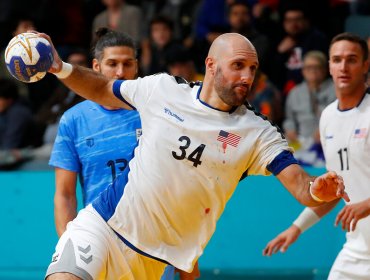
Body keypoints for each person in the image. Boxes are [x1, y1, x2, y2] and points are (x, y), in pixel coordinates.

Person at [37, 31, 350, 279]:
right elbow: (103, 90)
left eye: (252, 68)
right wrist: (58, 67)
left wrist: (315, 190)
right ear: (211, 65)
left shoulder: (257, 132)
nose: (247, 77)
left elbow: (301, 187)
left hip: (156, 259)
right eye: (238, 65)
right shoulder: (163, 91)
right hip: (104, 225)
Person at [49, 28, 198, 280]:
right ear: (96, 66)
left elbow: (178, 187)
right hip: (99, 237)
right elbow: (64, 195)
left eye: (127, 64)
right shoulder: (73, 120)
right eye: (112, 64)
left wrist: (188, 261)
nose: (120, 72)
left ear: (137, 67)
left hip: (154, 241)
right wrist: (71, 245)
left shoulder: (157, 111)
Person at [263, 32, 370, 280]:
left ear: (365, 65)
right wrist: (296, 228)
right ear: (330, 67)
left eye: (352, 59)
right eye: (337, 59)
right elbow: (334, 190)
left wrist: (366, 205)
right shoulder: (328, 117)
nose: (343, 66)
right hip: (357, 250)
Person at [283, 50, 336, 166]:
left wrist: (325, 130)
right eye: (308, 67)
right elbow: (289, 118)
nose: (312, 70)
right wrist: (290, 130)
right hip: (300, 142)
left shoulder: (336, 90)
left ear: (325, 69)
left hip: (327, 141)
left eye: (316, 67)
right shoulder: (295, 93)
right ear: (303, 70)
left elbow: (339, 117)